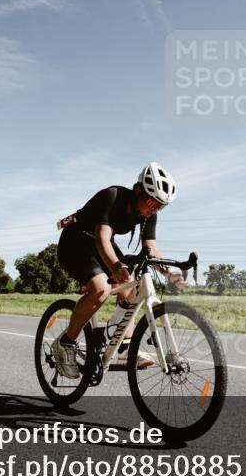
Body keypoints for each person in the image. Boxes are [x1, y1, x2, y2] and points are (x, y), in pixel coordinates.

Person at [53, 162, 184, 379]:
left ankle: (123, 348)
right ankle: (65, 343)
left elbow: (150, 248)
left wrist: (169, 273)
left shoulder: (149, 215)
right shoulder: (112, 197)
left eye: (161, 206)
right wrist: (116, 267)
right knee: (101, 288)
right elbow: (103, 238)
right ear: (138, 190)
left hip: (99, 244)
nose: (155, 209)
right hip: (75, 242)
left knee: (131, 289)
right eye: (153, 202)